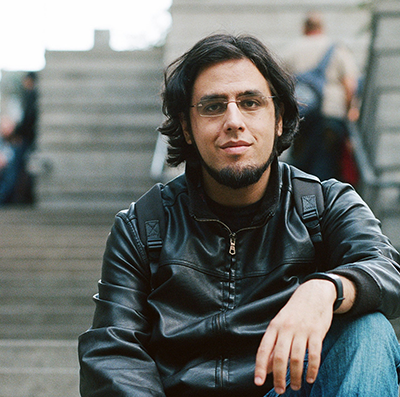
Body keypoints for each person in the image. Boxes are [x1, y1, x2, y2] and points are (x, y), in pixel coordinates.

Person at [78, 34, 400, 396]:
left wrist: (326, 289)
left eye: (250, 102)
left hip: (288, 389)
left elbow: (388, 270)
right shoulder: (142, 226)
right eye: (213, 106)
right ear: (187, 127)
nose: (233, 120)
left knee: (367, 330)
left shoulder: (326, 204)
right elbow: (111, 351)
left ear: (279, 118)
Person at [285, 12, 360, 181]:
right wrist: (351, 110)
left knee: (302, 165)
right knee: (326, 165)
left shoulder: (292, 48)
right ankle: (322, 204)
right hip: (330, 115)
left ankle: (301, 203)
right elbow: (350, 84)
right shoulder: (337, 49)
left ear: (304, 28)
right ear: (322, 28)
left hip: (302, 116)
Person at [0, 72, 38, 205]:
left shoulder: (31, 96)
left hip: (23, 139)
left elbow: (28, 120)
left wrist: (17, 133)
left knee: (14, 173)